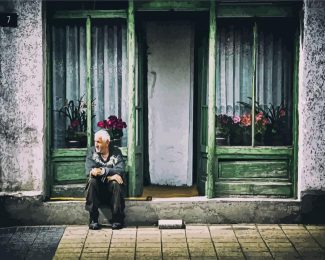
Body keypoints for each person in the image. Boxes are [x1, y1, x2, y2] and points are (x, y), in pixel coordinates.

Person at [85, 129, 126, 230]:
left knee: (116, 182)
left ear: (107, 142)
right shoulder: (91, 152)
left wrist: (103, 171)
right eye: (95, 142)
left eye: (98, 142)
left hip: (111, 192)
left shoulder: (116, 152)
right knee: (92, 181)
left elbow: (120, 170)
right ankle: (93, 219)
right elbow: (91, 172)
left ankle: (117, 219)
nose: (96, 145)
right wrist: (110, 175)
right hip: (97, 191)